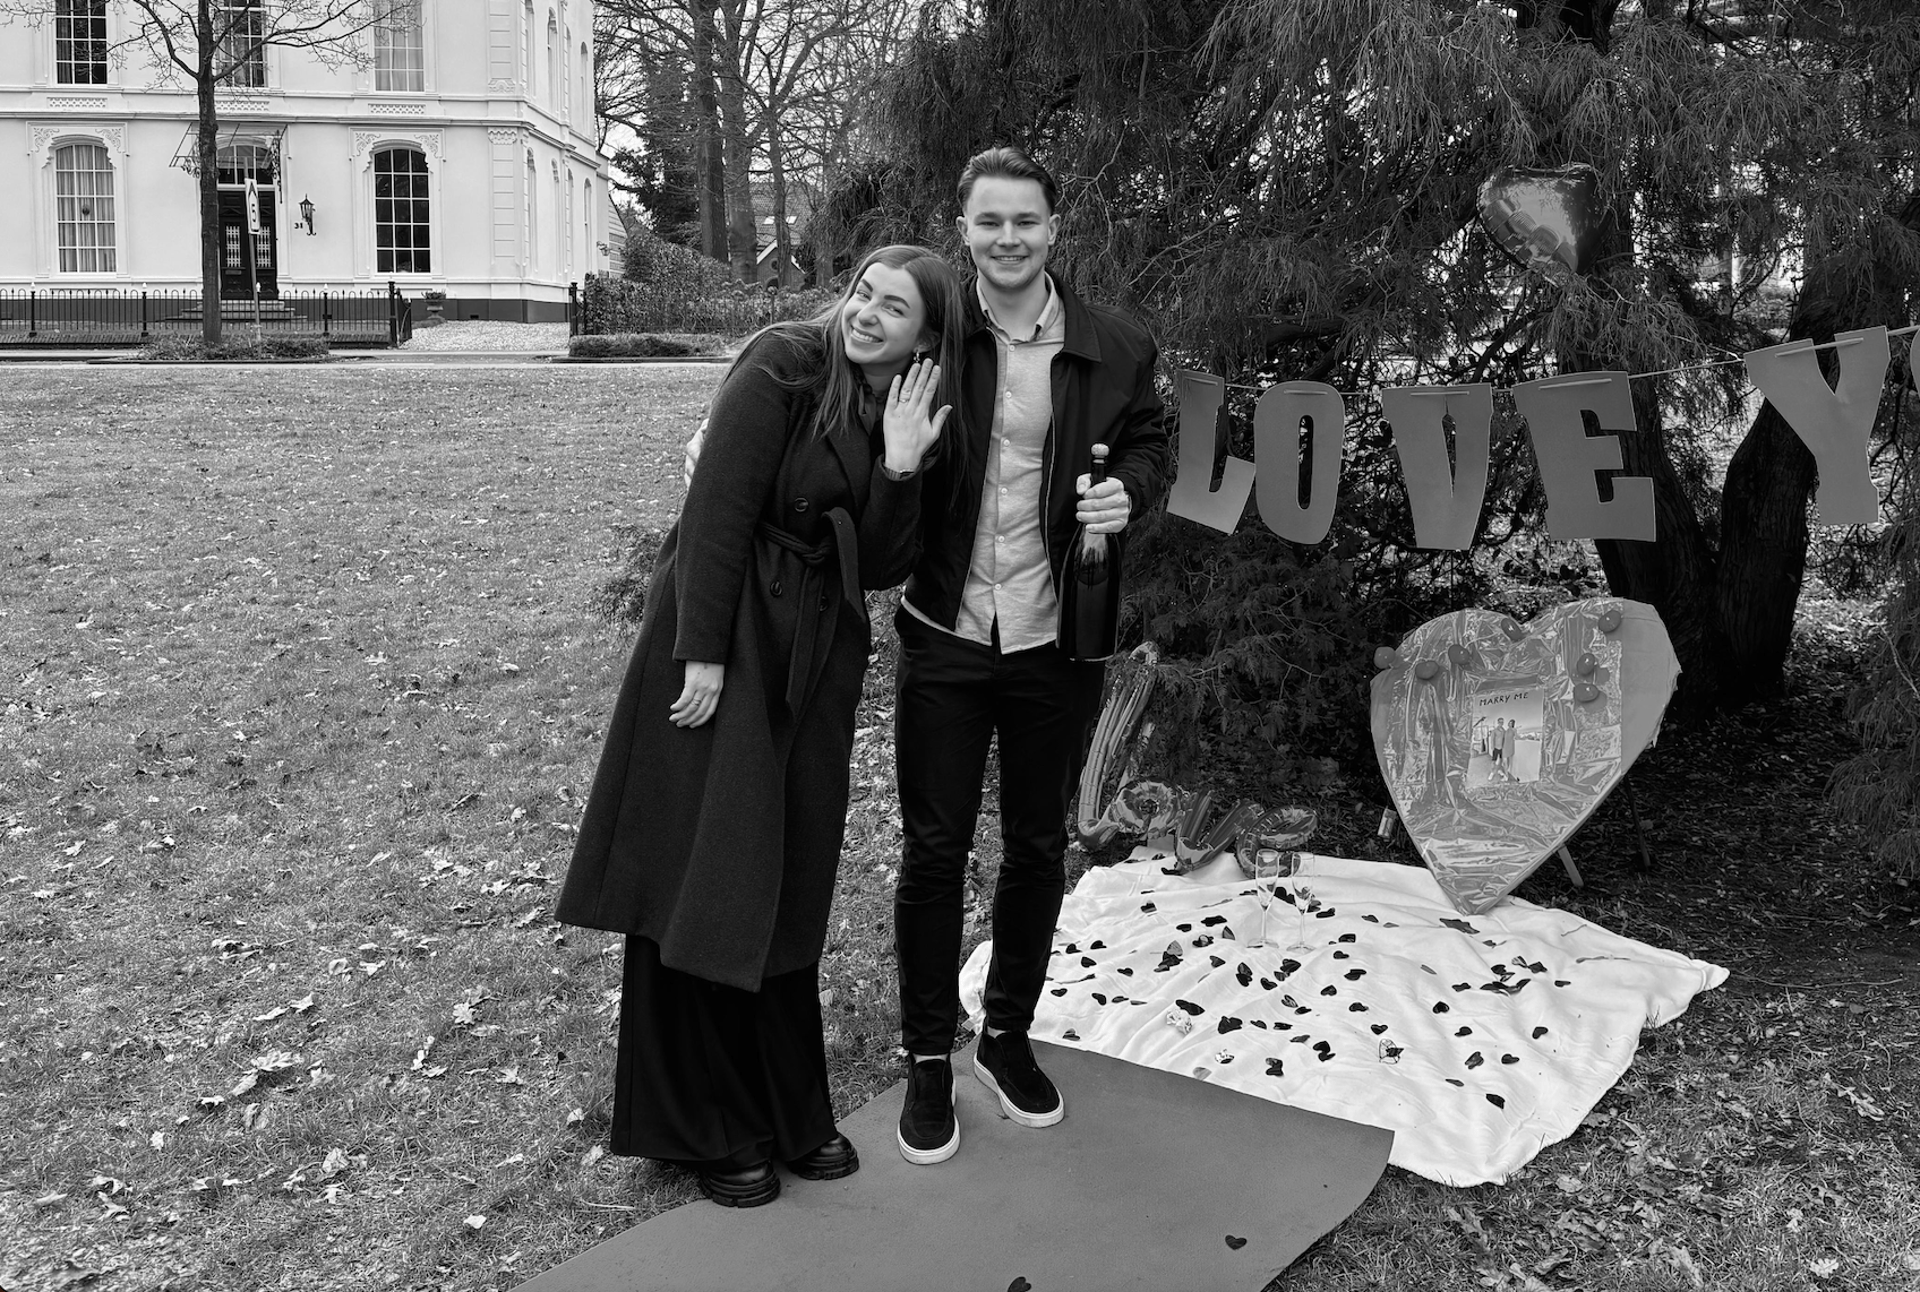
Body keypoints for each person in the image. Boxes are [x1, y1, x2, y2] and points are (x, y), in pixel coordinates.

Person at [556, 245, 966, 1208]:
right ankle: (707, 1121)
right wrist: (700, 650)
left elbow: (882, 566)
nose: (865, 313)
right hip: (729, 628)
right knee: (711, 867)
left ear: (925, 338)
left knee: (788, 869)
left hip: (814, 655)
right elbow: (716, 507)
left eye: (894, 308)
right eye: (863, 292)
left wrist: (901, 465)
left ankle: (788, 1107)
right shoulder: (785, 360)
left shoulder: (904, 409)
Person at [891, 146, 1170, 1166]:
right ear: (963, 230)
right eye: (989, 221)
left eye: (1026, 221)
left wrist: (1131, 487)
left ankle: (1004, 1034)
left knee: (1038, 848)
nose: (1008, 238)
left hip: (1059, 639)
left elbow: (1152, 438)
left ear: (1055, 229)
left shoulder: (1115, 345)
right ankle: (929, 1053)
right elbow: (844, 399)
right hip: (946, 631)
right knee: (934, 850)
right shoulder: (933, 336)